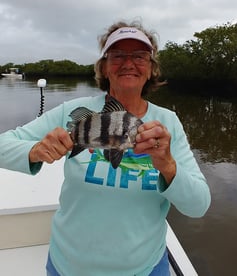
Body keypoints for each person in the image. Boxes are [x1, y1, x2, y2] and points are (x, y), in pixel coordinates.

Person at [0, 20, 211, 276]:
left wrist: (167, 165)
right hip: (69, 267)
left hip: (144, 269)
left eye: (139, 56)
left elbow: (198, 206)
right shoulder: (72, 112)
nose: (128, 63)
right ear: (104, 67)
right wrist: (34, 151)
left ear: (151, 69)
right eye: (118, 55)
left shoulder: (168, 123)